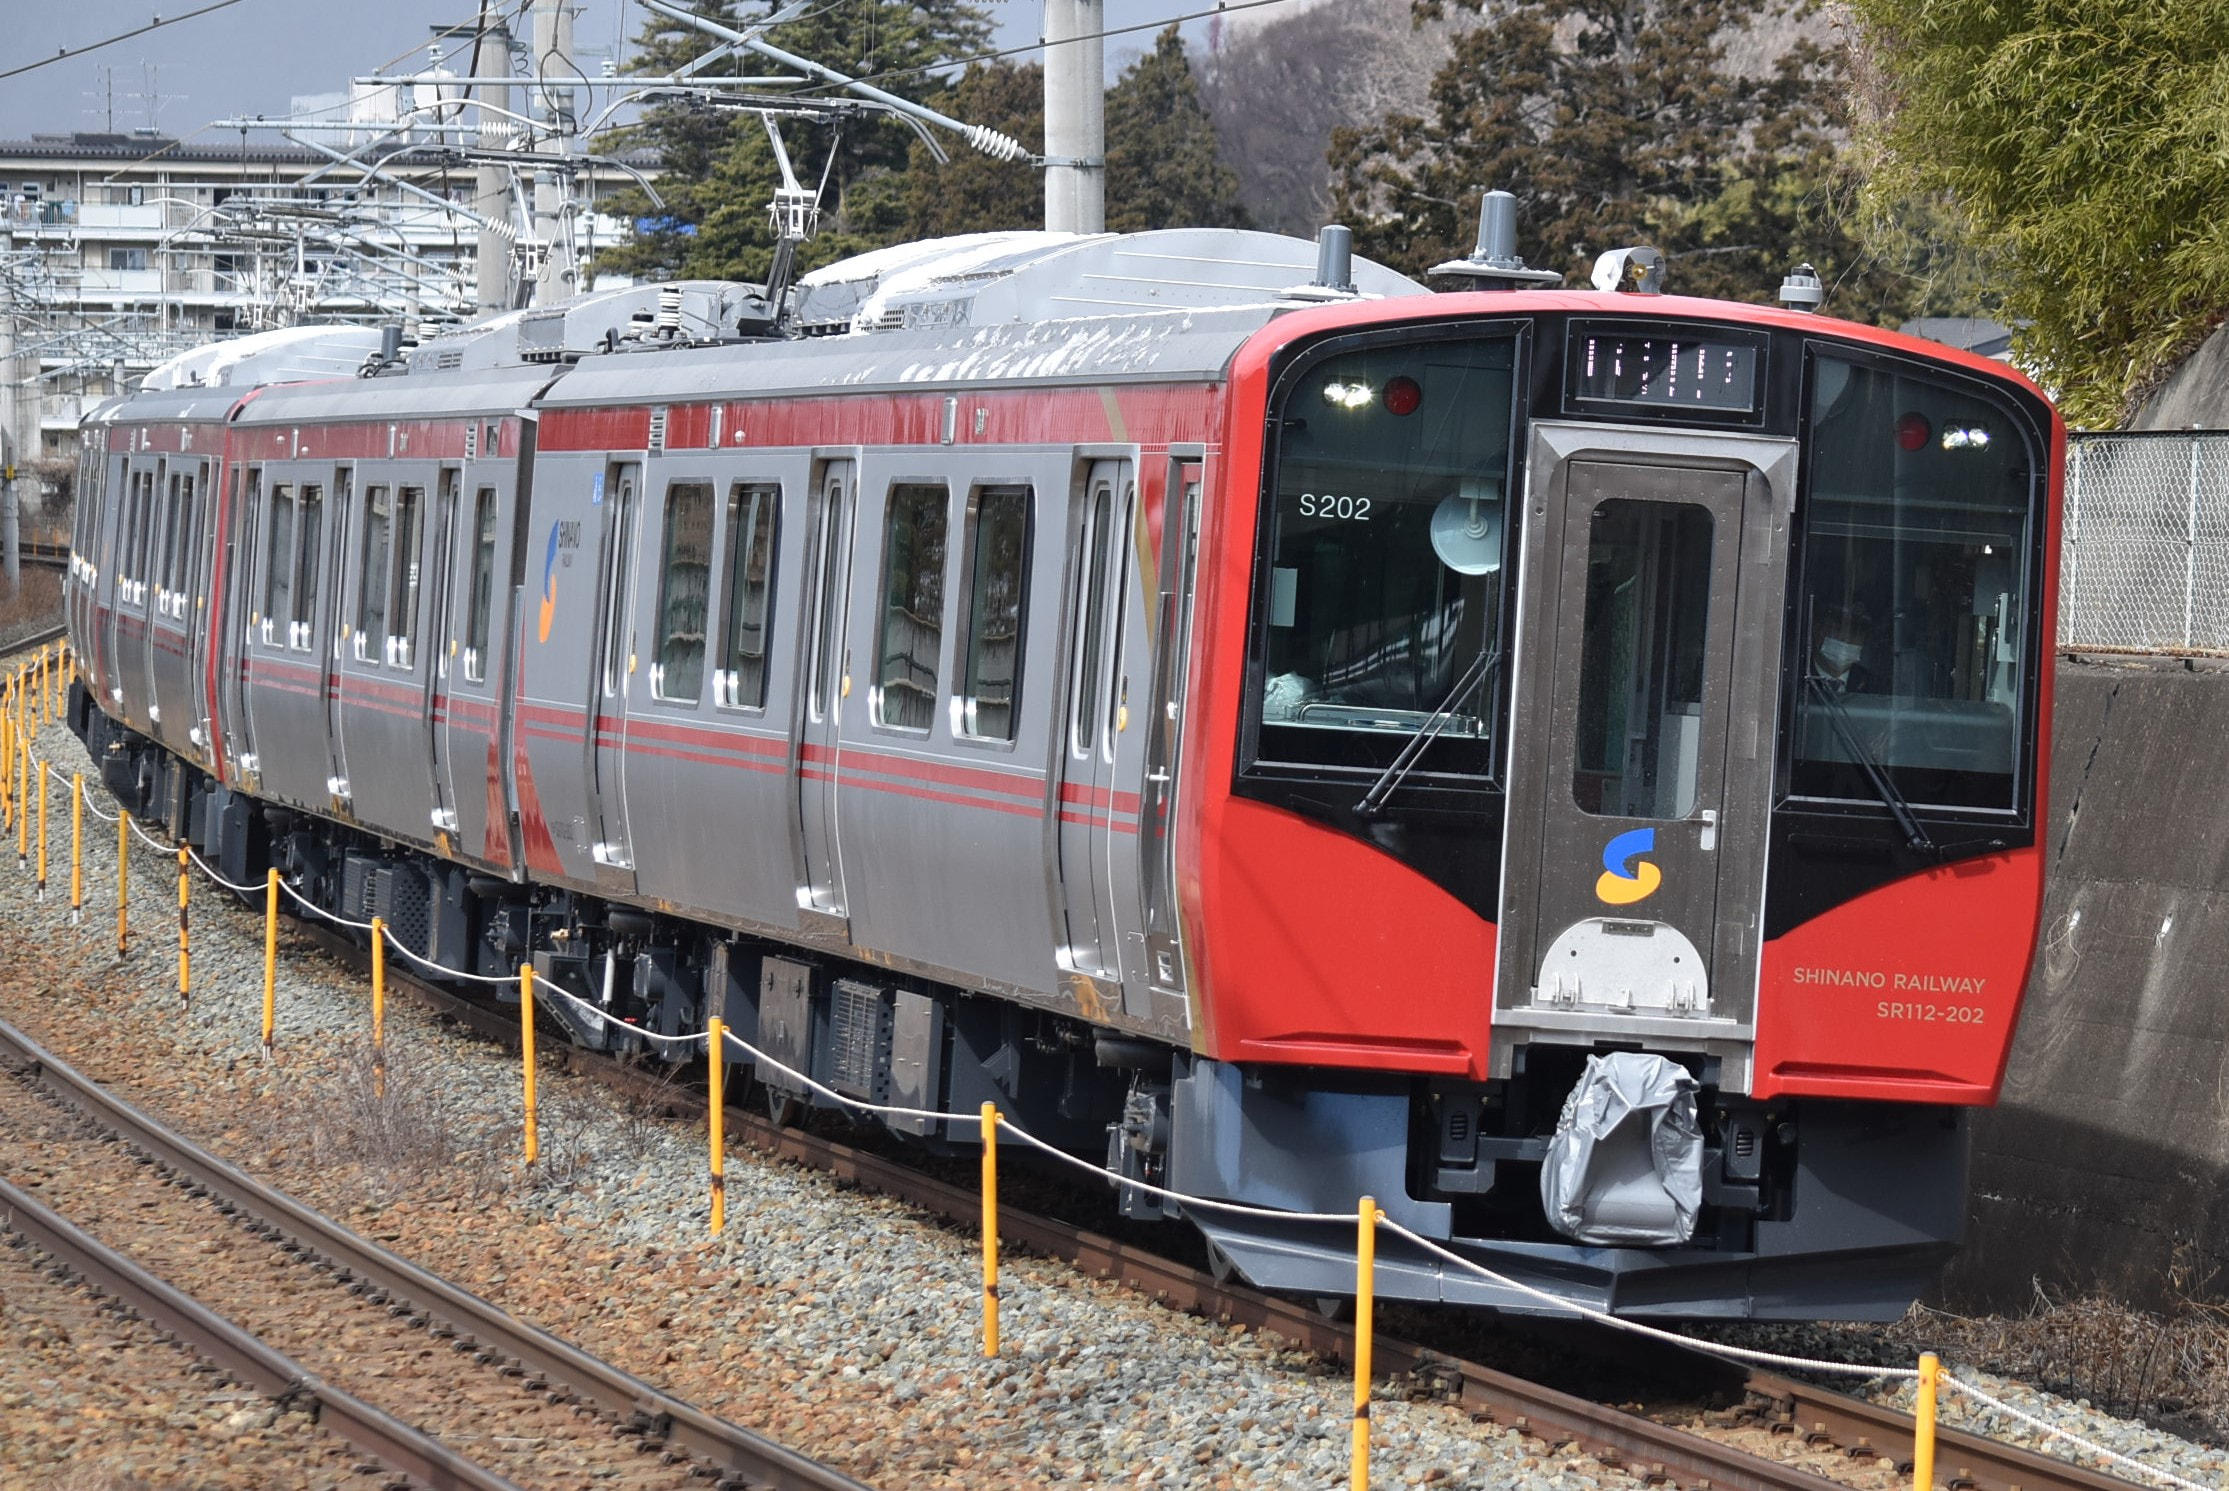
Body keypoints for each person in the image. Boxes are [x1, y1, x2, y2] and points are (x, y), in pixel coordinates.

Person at [1811, 605, 1874, 693]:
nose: (1846, 638)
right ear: (1817, 630)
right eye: (1837, 629)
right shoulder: (1795, 677)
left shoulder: (1875, 686)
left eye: (1854, 632)